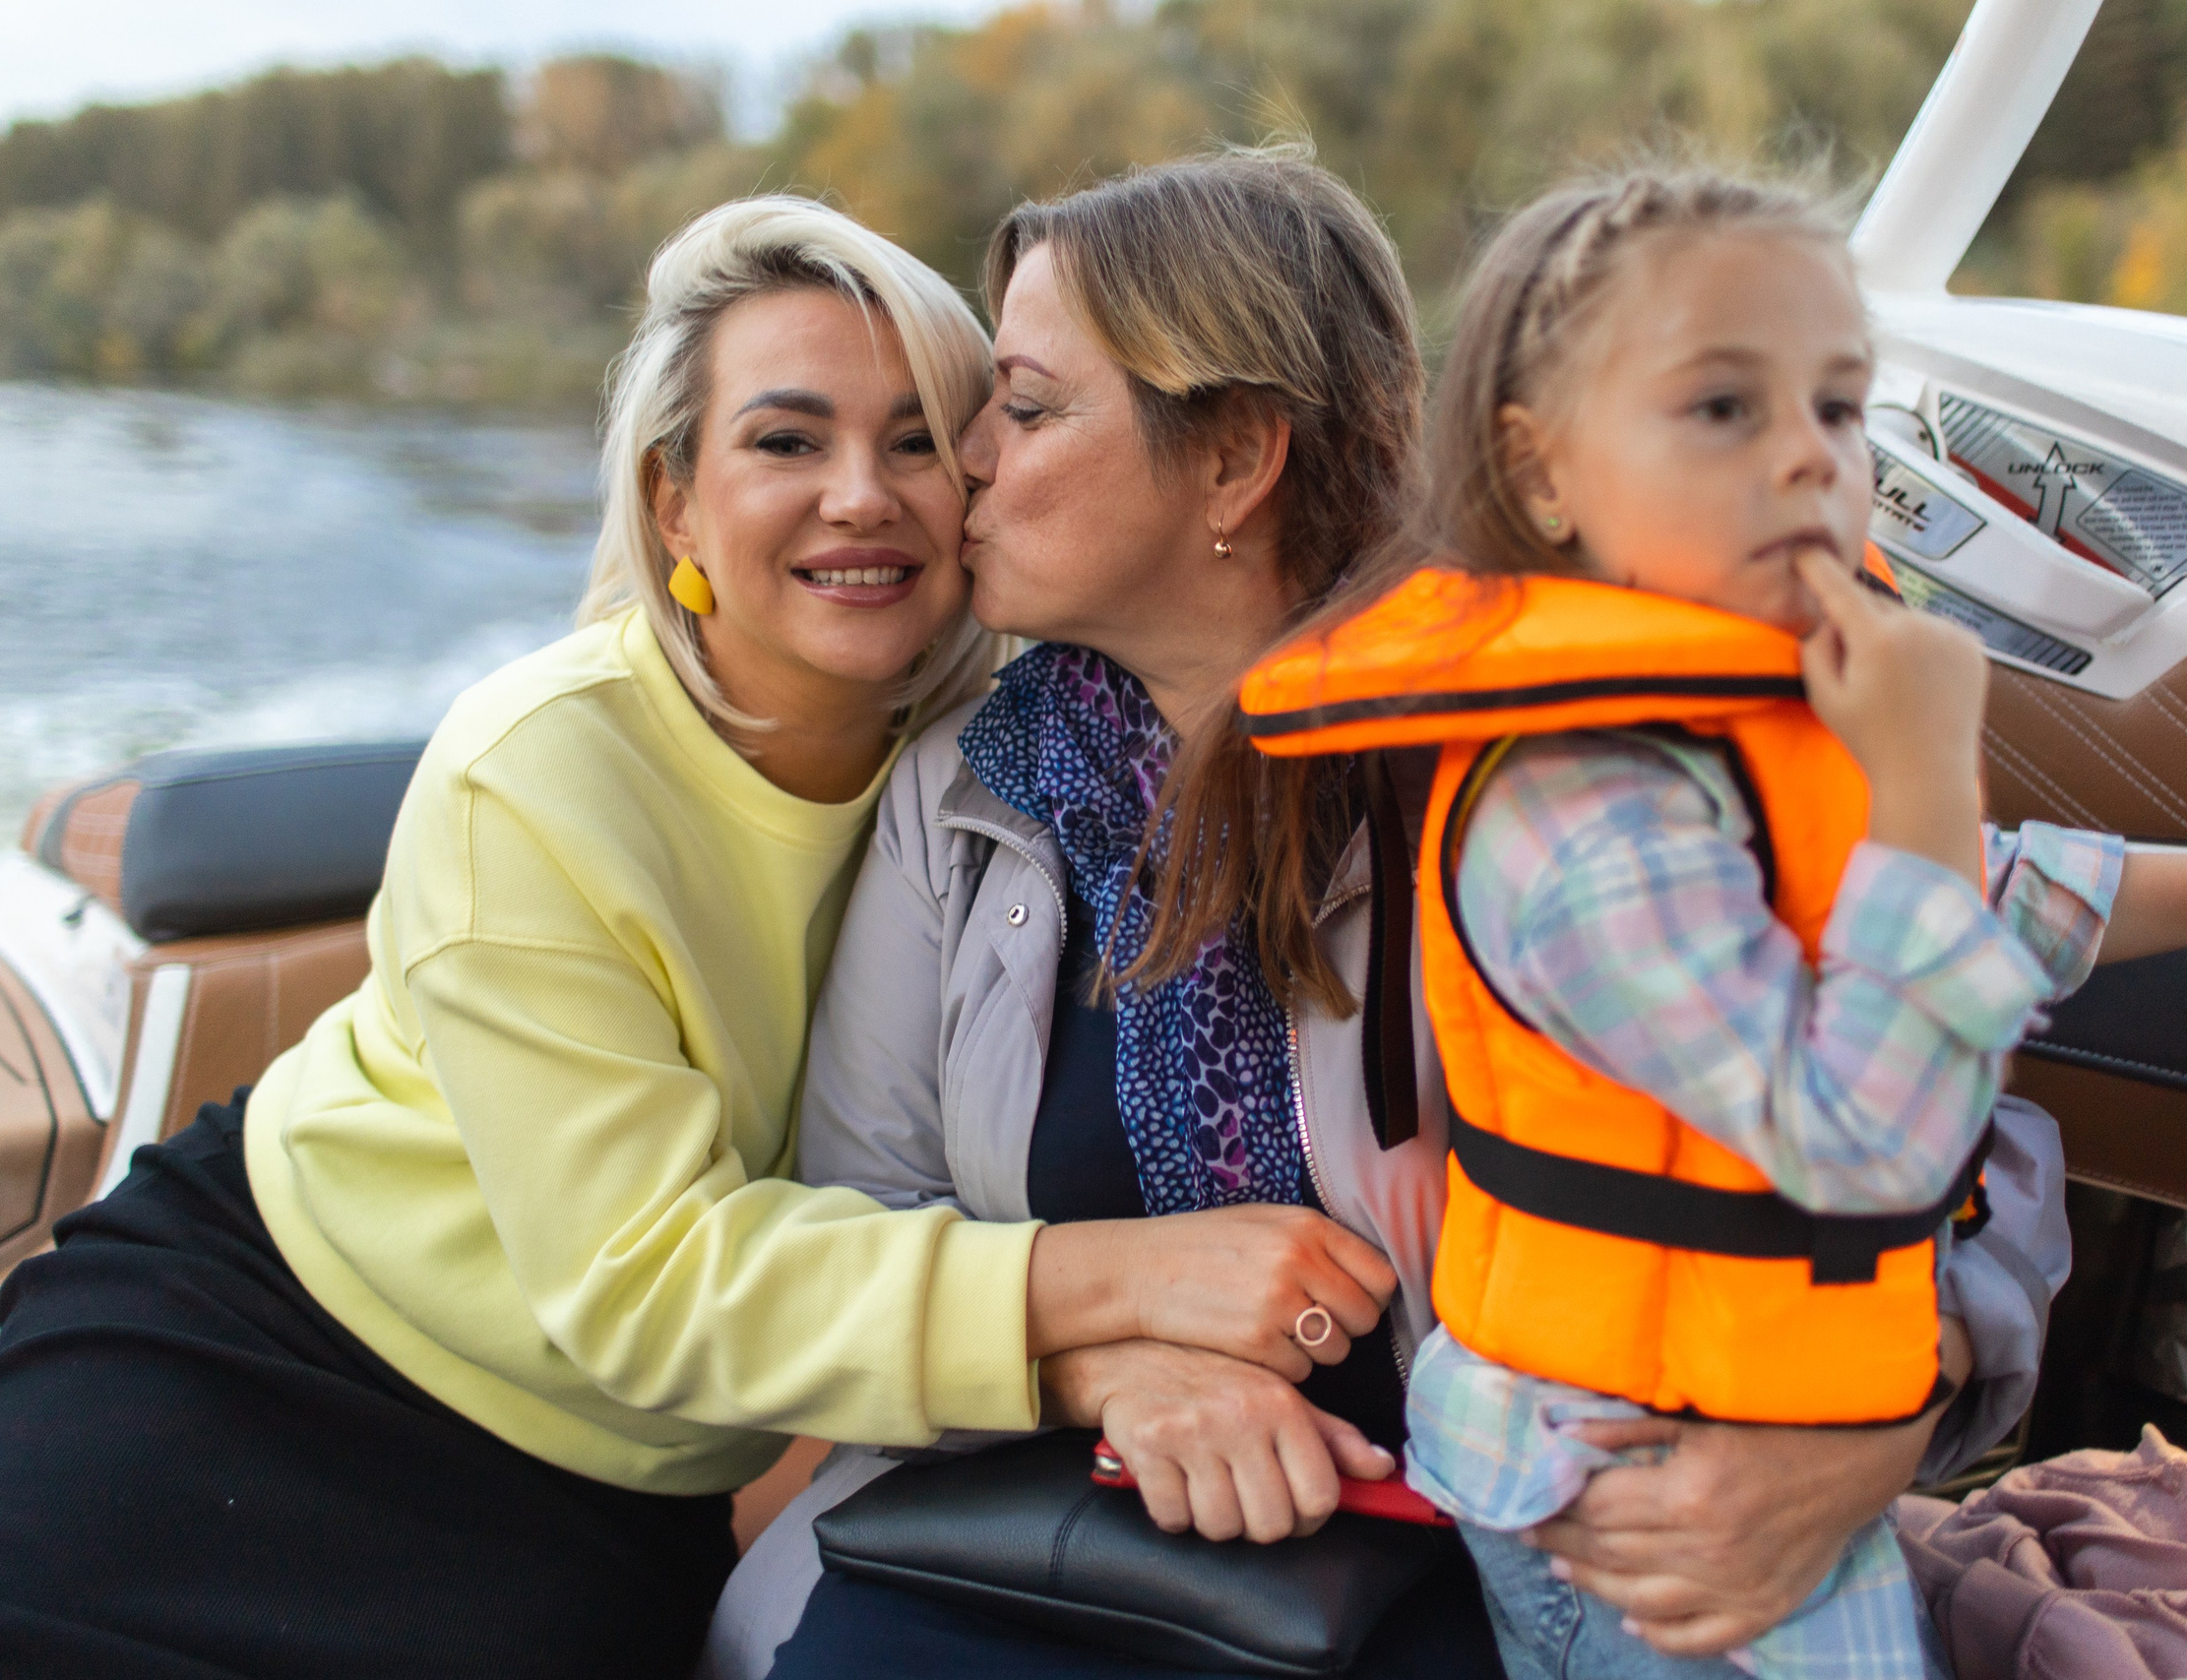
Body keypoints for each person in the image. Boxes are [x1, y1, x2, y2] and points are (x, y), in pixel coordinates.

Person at [713, 151, 2073, 1680]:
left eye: (1024, 407)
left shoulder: (1546, 775)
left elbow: (1970, 1142)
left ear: (1233, 461)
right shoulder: (964, 792)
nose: (959, 458)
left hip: (1475, 1549)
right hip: (1020, 1528)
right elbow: (853, 1226)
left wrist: (1872, 1427)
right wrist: (1102, 1367)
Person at [0, 196, 1385, 1680]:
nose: (867, 493)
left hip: (617, 1478)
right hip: (267, 1348)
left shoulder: (1007, 762)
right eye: (787, 442)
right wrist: (1124, 1304)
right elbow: (648, 1279)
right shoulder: (535, 770)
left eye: (922, 436)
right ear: (674, 504)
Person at [1235, 164, 2187, 1680]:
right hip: (1646, 1508)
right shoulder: (1581, 827)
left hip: (1771, 1434)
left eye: (1839, 408)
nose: (1807, 460)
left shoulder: (1734, 736)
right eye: (1724, 409)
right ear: (1541, 473)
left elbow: (1980, 899)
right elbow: (1860, 1145)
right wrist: (1914, 766)